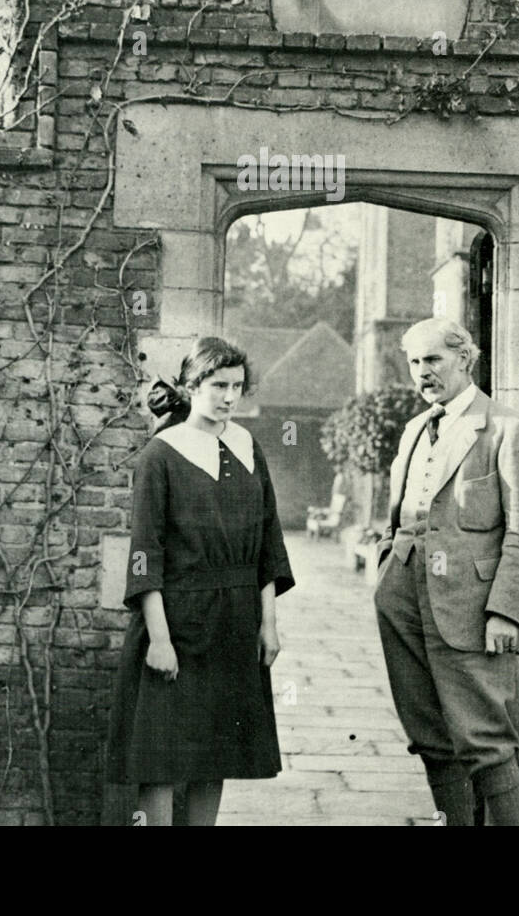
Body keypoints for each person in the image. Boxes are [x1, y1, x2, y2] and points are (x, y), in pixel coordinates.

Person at [105, 336, 294, 827]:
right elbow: (145, 554)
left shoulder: (248, 447)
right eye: (217, 385)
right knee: (162, 762)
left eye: (236, 386)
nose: (229, 397)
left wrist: (267, 624)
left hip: (235, 623)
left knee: (216, 758)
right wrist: (160, 640)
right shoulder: (161, 455)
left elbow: (268, 545)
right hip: (176, 621)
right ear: (192, 387)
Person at [374, 317, 519, 826]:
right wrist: (388, 572)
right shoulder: (414, 430)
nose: (423, 372)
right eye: (414, 362)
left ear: (464, 359)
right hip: (403, 601)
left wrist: (504, 612)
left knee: (485, 741)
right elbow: (398, 518)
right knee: (430, 738)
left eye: (433, 359)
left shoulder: (507, 429)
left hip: (470, 610)